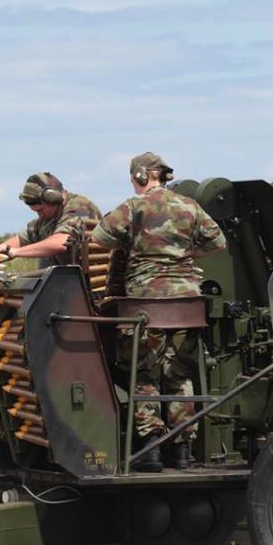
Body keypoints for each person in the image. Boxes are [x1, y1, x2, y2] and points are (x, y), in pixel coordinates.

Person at [91, 152, 227, 472]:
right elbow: (218, 243)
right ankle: (180, 450)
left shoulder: (134, 206)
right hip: (186, 305)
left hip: (146, 305)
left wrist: (139, 247)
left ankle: (150, 448)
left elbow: (99, 238)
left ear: (140, 176)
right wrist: (182, 253)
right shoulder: (190, 206)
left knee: (143, 373)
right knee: (179, 375)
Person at [0, 172, 101, 266]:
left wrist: (16, 252)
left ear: (53, 199)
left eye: (40, 210)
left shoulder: (80, 207)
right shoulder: (49, 217)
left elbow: (59, 243)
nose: (39, 215)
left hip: (91, 290)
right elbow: (22, 239)